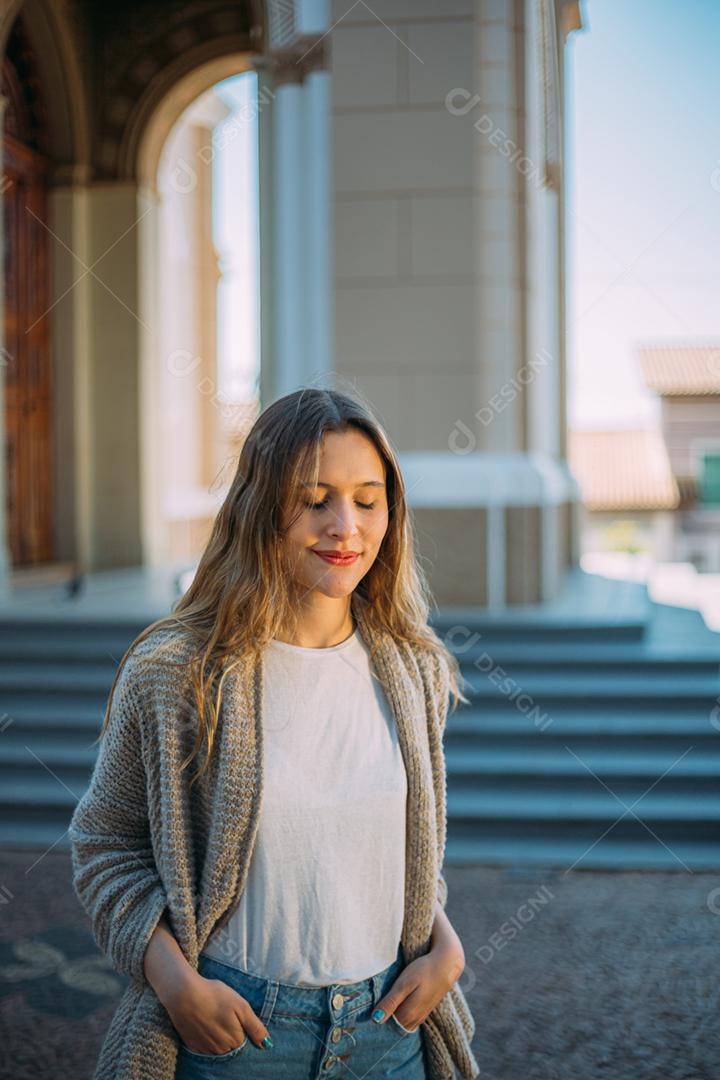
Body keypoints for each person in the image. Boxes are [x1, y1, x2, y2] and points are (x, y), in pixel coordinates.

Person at [69, 386, 480, 1080]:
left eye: (367, 499)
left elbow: (399, 859)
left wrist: (446, 948)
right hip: (237, 1037)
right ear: (262, 508)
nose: (345, 526)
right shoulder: (178, 673)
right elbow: (105, 845)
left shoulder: (413, 669)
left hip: (390, 1035)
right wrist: (176, 985)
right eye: (314, 498)